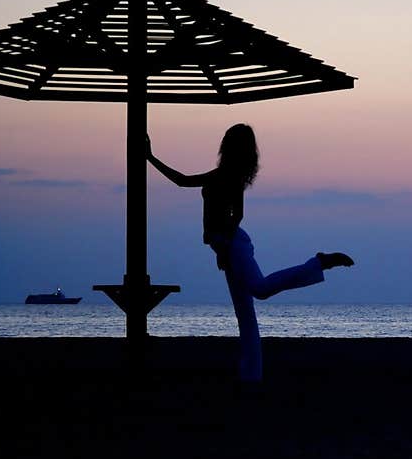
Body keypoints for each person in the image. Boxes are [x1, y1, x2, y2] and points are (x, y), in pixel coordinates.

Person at [146, 124, 353, 384]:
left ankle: (318, 263)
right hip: (226, 244)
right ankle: (251, 375)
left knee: (260, 289)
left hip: (232, 244)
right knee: (245, 312)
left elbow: (237, 216)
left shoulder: (231, 177)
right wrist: (150, 157)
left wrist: (223, 249)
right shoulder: (221, 174)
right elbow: (182, 181)